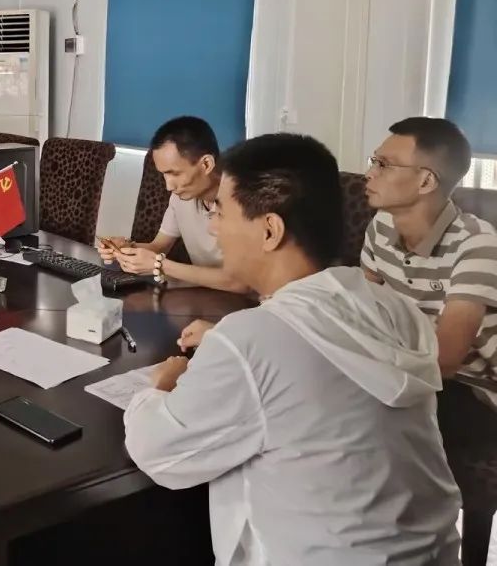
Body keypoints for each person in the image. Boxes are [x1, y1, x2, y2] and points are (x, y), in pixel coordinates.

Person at [125, 133, 461, 565]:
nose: (213, 228)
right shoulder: (397, 310)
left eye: (221, 212)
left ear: (270, 230)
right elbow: (311, 357)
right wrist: (236, 341)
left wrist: (159, 387)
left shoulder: (250, 342)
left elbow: (159, 453)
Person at [361, 116, 497, 565]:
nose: (369, 173)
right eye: (374, 161)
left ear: (425, 181)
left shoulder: (477, 244)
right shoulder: (381, 226)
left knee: (366, 420)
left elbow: (445, 361)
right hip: (420, 372)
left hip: (480, 391)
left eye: (383, 164)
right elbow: (364, 310)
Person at [98, 116, 248, 293]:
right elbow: (158, 247)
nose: (168, 186)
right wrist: (126, 249)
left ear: (206, 164)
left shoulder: (244, 199)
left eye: (175, 174)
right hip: (205, 297)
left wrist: (161, 266)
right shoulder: (180, 197)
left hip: (247, 303)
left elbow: (240, 282)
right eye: (164, 175)